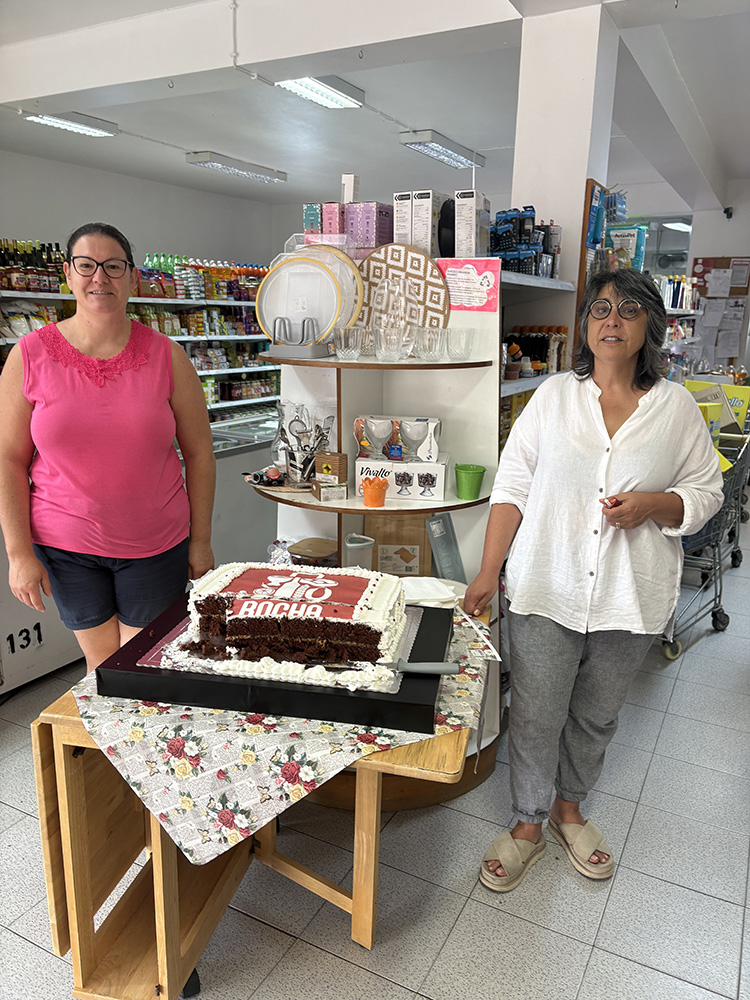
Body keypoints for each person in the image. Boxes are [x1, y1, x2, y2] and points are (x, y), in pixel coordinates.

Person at [465, 268, 723, 892]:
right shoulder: (553, 398)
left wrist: (653, 506)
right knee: (534, 712)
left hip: (628, 596)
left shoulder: (676, 409)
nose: (612, 319)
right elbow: (513, 487)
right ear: (586, 325)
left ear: (649, 326)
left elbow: (706, 492)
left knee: (597, 716)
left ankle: (568, 808)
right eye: (601, 308)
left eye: (629, 309)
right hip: (545, 588)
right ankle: (527, 821)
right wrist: (487, 570)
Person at [0, 222, 216, 673]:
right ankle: (115, 742)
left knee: (145, 663)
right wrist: (18, 554)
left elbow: (198, 454)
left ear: (132, 278)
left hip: (155, 544)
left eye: (113, 266)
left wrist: (201, 541)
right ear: (68, 274)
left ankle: (145, 740)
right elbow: (8, 458)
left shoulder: (167, 356)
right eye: (87, 265)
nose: (100, 278)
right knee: (103, 664)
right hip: (65, 544)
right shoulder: (29, 355)